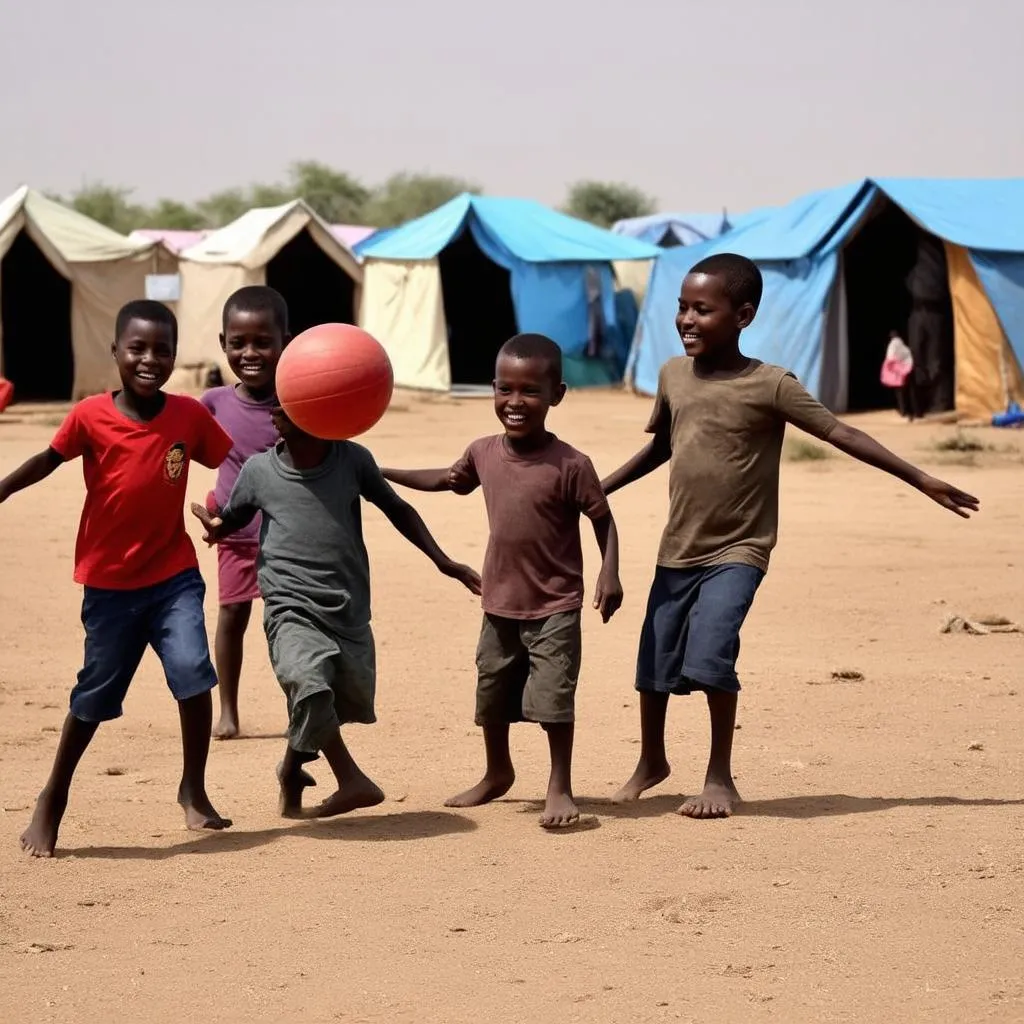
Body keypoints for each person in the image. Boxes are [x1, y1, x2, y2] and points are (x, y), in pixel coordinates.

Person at [602, 254, 979, 820]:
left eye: (702, 309)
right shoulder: (672, 377)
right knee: (653, 660)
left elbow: (840, 431)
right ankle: (652, 760)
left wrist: (921, 478)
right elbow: (662, 447)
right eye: (681, 306)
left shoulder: (770, 384)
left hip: (740, 549)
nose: (685, 318)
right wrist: (599, 488)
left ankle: (719, 776)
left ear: (743, 316)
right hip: (678, 545)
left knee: (710, 655)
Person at [0, 300, 235, 857]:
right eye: (138, 348)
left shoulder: (187, 416)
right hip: (109, 585)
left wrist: (224, 510)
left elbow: (231, 463)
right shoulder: (89, 416)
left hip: (173, 575)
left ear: (175, 356)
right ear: (115, 352)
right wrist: (4, 486)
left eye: (162, 350)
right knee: (95, 695)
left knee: (194, 675)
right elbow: (49, 458)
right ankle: (52, 798)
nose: (150, 359)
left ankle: (194, 789)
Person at [191, 405, 481, 819]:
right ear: (274, 419)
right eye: (280, 404)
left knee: (325, 696)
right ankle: (351, 779)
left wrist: (444, 561)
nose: (282, 410)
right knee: (308, 683)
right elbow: (234, 517)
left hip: (346, 606)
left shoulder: (352, 459)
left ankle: (291, 770)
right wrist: (218, 528)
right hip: (288, 603)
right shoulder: (258, 471)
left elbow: (398, 509)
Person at [383, 334, 624, 828]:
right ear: (492, 389)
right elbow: (447, 480)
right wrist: (382, 471)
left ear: (556, 394)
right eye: (506, 390)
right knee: (491, 691)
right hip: (498, 602)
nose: (516, 403)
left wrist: (610, 572)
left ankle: (559, 787)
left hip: (555, 603)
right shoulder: (483, 452)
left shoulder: (572, 465)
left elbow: (603, 519)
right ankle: (497, 772)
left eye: (530, 391)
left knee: (553, 698)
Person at [200, 286, 290, 740]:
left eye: (263, 341)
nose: (250, 352)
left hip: (287, 534)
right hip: (233, 533)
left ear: (285, 341)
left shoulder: (298, 401)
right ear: (223, 343)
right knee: (232, 617)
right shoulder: (213, 403)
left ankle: (302, 705)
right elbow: (180, 448)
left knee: (290, 622)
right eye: (239, 343)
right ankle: (228, 710)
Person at [880, 330, 917, 420]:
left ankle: (903, 410)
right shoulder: (903, 345)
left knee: (899, 392)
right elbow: (909, 356)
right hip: (905, 369)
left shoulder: (892, 344)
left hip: (896, 370)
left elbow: (890, 356)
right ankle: (909, 410)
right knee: (905, 391)